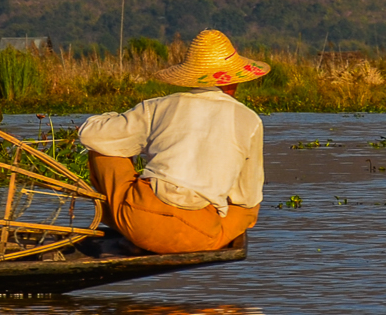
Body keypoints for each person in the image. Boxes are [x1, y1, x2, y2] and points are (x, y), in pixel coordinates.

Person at [77, 29, 265, 254]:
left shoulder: (158, 106)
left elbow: (90, 135)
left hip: (139, 220)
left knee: (102, 151)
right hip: (200, 235)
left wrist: (108, 119)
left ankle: (131, 233)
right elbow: (247, 197)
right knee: (248, 210)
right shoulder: (249, 119)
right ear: (234, 83)